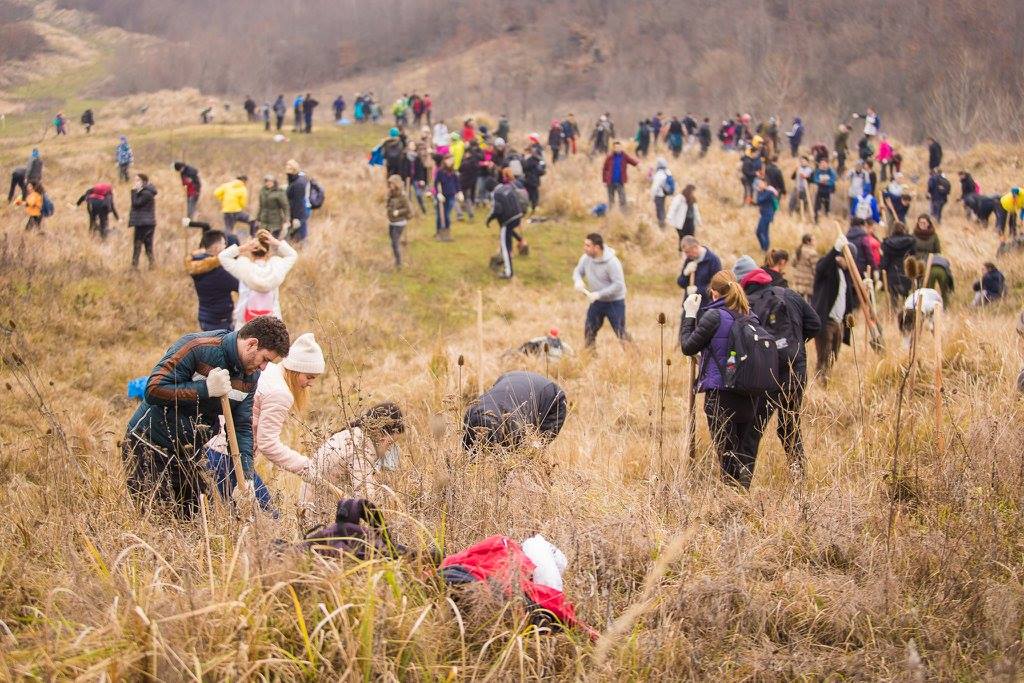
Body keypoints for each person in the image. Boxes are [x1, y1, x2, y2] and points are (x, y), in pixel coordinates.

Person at [123, 316, 291, 518]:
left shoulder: (250, 376)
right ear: (252, 344)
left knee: (199, 522)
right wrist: (205, 389)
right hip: (148, 446)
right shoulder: (197, 347)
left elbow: (241, 426)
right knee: (158, 520)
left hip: (189, 454)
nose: (264, 367)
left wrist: (245, 477)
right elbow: (154, 389)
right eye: (265, 359)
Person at [205, 332, 326, 515]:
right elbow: (268, 444)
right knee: (269, 518)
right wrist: (306, 467)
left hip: (210, 447)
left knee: (236, 516)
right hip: (227, 455)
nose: (310, 384)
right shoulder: (280, 393)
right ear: (295, 370)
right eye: (308, 377)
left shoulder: (269, 371)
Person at [732, 256, 821, 478]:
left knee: (753, 429)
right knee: (789, 425)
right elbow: (815, 324)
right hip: (795, 369)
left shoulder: (746, 303)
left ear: (741, 281)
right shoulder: (788, 294)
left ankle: (741, 485)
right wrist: (797, 343)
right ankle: (799, 477)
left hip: (765, 374)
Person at [679, 271, 763, 487]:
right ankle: (742, 494)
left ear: (714, 293)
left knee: (726, 453)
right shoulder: (750, 315)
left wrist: (689, 315)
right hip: (749, 391)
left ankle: (731, 502)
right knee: (742, 452)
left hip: (721, 393)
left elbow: (688, 346)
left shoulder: (714, 316)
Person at [440, 534, 597, 640]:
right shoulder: (531, 555)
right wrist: (586, 630)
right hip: (479, 590)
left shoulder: (493, 548)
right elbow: (555, 602)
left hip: (447, 580)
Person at [300, 403, 405, 523]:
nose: (390, 450)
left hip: (312, 508)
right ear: (377, 432)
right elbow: (365, 498)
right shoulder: (360, 449)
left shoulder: (355, 435)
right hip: (317, 515)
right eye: (390, 444)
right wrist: (385, 525)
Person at [462, 371, 567, 453]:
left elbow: (514, 456)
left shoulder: (514, 424)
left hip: (551, 396)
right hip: (509, 377)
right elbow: (467, 451)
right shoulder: (471, 412)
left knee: (533, 449)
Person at [218, 229, 298, 329]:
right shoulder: (277, 267)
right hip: (272, 322)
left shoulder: (244, 268)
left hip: (246, 322)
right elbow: (292, 255)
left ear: (251, 253)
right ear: (268, 253)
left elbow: (222, 257)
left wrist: (243, 247)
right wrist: (275, 241)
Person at [811, 235, 858, 381]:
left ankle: (827, 379)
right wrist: (834, 250)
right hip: (826, 320)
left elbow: (849, 297)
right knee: (824, 356)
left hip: (838, 322)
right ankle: (820, 383)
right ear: (841, 257)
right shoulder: (829, 269)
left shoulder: (844, 273)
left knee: (833, 355)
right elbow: (820, 268)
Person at [573, 233, 629, 347]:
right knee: (589, 330)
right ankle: (590, 356)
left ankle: (634, 357)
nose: (585, 248)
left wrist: (599, 294)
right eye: (585, 245)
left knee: (620, 332)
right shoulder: (586, 259)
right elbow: (578, 271)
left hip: (614, 302)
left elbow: (618, 285)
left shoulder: (612, 263)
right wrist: (578, 280)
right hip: (597, 302)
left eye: (588, 245)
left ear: (597, 247)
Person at [186, 229, 238, 331]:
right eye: (223, 244)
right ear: (216, 247)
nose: (225, 247)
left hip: (205, 317)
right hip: (219, 321)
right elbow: (239, 285)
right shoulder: (217, 271)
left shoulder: (198, 263)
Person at [487, 168, 525, 279]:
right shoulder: (507, 187)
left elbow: (497, 210)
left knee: (504, 246)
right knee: (508, 240)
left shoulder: (495, 194)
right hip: (518, 216)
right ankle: (513, 250)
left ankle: (508, 272)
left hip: (507, 221)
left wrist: (489, 219)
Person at [678, 235, 722, 307]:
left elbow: (717, 288)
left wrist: (697, 290)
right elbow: (681, 283)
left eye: (688, 252)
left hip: (705, 307)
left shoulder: (713, 260)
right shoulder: (689, 259)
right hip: (689, 306)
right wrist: (685, 273)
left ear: (695, 247)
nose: (686, 255)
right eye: (685, 252)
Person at [880, 222, 917, 303]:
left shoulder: (887, 244)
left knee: (893, 299)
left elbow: (884, 262)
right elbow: (913, 257)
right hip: (906, 273)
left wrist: (881, 275)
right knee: (907, 299)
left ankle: (893, 314)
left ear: (893, 230)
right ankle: (906, 314)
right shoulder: (910, 242)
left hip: (892, 274)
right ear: (904, 230)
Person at [129, 173, 158, 269]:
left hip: (144, 223)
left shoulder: (146, 193)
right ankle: (152, 265)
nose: (135, 182)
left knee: (138, 244)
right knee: (147, 245)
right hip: (146, 222)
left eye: (137, 180)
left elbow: (136, 203)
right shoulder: (145, 192)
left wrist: (133, 192)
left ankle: (134, 266)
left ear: (143, 182)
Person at [601, 141, 638, 211]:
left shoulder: (624, 156)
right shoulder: (609, 157)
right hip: (610, 181)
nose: (618, 149)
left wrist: (637, 165)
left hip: (620, 181)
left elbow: (631, 161)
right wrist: (604, 181)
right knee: (611, 199)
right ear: (614, 148)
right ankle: (611, 214)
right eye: (616, 147)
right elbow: (604, 169)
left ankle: (624, 215)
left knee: (623, 199)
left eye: (619, 147)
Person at [386, 174, 412, 268]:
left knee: (395, 242)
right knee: (392, 242)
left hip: (399, 223)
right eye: (390, 184)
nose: (390, 186)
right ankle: (397, 261)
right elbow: (388, 205)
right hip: (392, 221)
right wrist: (389, 209)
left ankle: (399, 263)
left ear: (396, 184)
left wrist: (398, 212)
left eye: (392, 184)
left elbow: (408, 209)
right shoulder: (391, 194)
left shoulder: (403, 195)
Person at [433, 154, 459, 242]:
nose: (450, 162)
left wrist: (459, 192)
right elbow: (436, 183)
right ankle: (438, 232)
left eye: (452, 160)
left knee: (447, 215)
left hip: (451, 195)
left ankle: (447, 231)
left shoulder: (453, 172)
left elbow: (457, 183)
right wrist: (438, 194)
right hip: (442, 196)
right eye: (449, 160)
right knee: (440, 215)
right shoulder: (440, 172)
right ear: (445, 161)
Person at [667, 184, 701, 250]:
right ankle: (682, 253)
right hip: (682, 222)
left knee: (691, 238)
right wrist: (669, 217)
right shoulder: (680, 198)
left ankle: (690, 253)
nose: (693, 193)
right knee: (682, 238)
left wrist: (699, 221)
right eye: (693, 191)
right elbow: (673, 208)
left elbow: (696, 211)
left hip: (690, 221)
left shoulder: (693, 199)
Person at [285, 159, 310, 242]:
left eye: (289, 166)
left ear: (293, 168)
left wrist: (297, 218)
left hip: (299, 213)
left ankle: (305, 252)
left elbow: (298, 201)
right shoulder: (293, 179)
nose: (286, 167)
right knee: (293, 236)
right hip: (295, 212)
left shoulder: (299, 183)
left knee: (300, 236)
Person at [754, 178, 779, 252]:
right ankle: (764, 248)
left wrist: (759, 191)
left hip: (768, 214)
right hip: (763, 214)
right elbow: (758, 202)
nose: (759, 185)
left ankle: (764, 248)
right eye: (758, 184)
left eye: (761, 183)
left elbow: (760, 200)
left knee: (760, 231)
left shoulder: (769, 192)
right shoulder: (762, 192)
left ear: (765, 184)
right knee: (764, 232)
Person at [790, 234, 818, 301]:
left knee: (799, 301)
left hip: (799, 279)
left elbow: (793, 264)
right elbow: (816, 269)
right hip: (809, 281)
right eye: (813, 240)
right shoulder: (812, 253)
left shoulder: (798, 250)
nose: (815, 241)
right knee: (810, 302)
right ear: (808, 242)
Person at [811, 158, 837, 224]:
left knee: (827, 208)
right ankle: (816, 221)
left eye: (824, 163)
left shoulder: (831, 171)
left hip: (828, 192)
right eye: (821, 163)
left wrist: (827, 183)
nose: (823, 165)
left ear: (827, 164)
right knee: (816, 207)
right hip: (820, 191)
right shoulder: (818, 171)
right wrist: (820, 181)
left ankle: (827, 220)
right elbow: (815, 179)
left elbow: (833, 179)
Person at [522, 143, 546, 213]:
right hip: (533, 182)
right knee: (533, 196)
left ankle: (528, 209)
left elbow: (524, 168)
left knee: (529, 196)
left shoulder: (529, 160)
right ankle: (532, 209)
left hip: (528, 181)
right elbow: (541, 172)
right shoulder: (537, 161)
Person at [650, 158, 673, 228]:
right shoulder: (667, 172)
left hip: (658, 194)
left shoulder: (659, 174)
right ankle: (663, 222)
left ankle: (661, 224)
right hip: (664, 194)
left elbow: (655, 186)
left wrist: (652, 196)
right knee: (662, 208)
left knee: (659, 209)